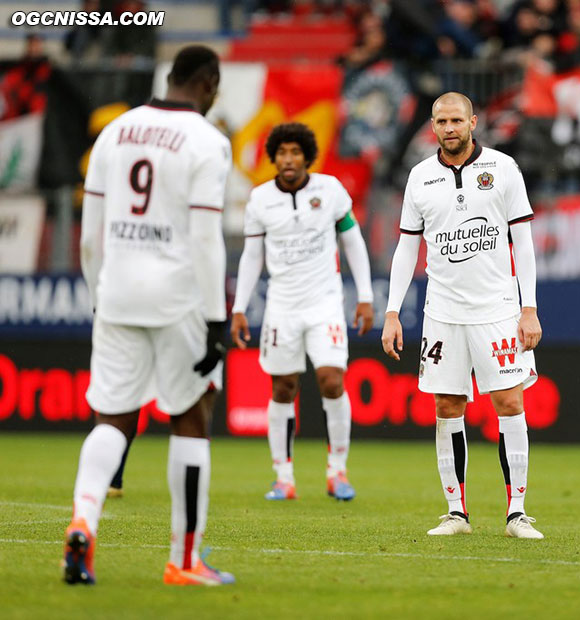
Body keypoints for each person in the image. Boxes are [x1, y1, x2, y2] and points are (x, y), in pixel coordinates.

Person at [66, 45, 233, 587]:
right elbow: (207, 237)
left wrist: (99, 297)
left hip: (116, 292)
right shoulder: (208, 140)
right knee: (190, 417)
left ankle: (83, 522)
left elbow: (89, 236)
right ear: (208, 82)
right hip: (178, 297)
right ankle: (184, 561)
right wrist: (215, 316)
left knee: (112, 417)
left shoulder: (116, 130)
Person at [381, 92, 544, 539]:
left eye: (456, 120)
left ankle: (517, 513)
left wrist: (528, 308)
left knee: (509, 402)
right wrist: (392, 312)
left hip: (497, 309)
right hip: (443, 312)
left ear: (473, 121)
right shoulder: (419, 177)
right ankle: (456, 512)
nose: (448, 128)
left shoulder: (503, 168)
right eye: (440, 121)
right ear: (431, 126)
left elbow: (523, 243)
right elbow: (406, 247)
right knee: (446, 406)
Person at [230, 122, 374, 502]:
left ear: (307, 156)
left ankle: (337, 472)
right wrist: (239, 307)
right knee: (283, 386)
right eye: (282, 153)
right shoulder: (260, 199)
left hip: (325, 303)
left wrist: (365, 295)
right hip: (282, 307)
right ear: (273, 157)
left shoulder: (329, 191)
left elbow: (353, 241)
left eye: (296, 152)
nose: (289, 159)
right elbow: (252, 256)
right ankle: (283, 477)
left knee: (331, 380)